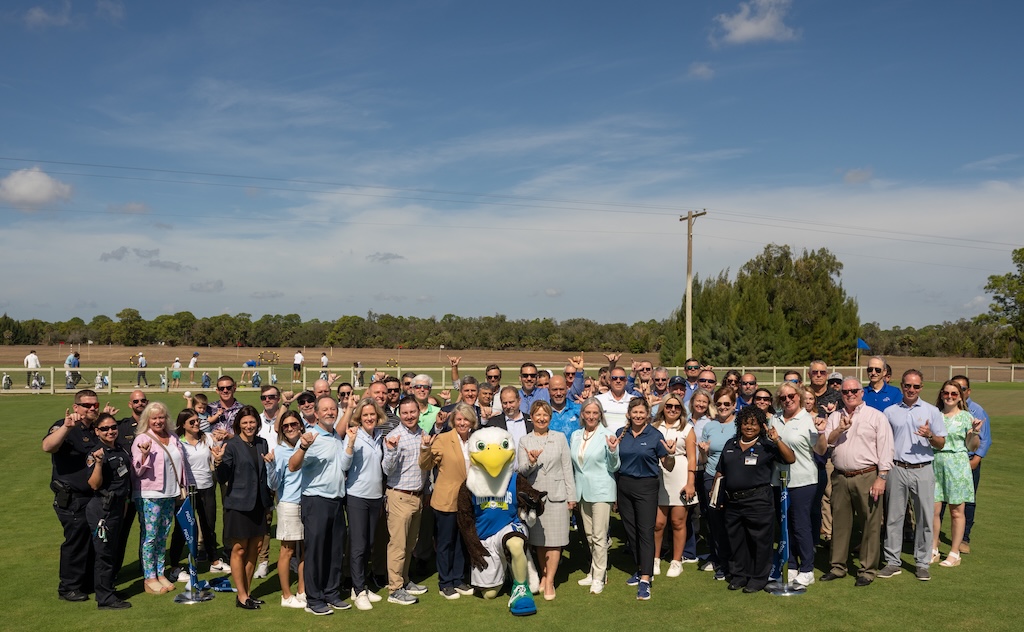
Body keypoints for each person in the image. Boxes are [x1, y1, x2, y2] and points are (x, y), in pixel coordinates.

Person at [716, 405, 796, 593]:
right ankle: (739, 575)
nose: (749, 427)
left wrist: (777, 440)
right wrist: (716, 496)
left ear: (761, 426)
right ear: (739, 424)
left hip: (758, 500)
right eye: (745, 423)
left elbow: (790, 458)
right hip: (732, 501)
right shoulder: (731, 444)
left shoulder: (767, 445)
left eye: (753, 424)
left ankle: (758, 577)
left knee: (760, 540)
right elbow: (721, 471)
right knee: (736, 539)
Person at [822, 378, 892, 586]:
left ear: (862, 393)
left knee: (870, 524)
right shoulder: (835, 416)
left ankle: (867, 569)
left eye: (854, 391)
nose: (850, 394)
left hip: (867, 475)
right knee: (840, 523)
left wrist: (882, 477)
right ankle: (838, 566)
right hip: (841, 476)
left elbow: (886, 448)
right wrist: (840, 429)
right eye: (845, 392)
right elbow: (827, 443)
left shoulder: (876, 417)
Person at [289, 395, 353, 615]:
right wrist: (303, 448)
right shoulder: (310, 437)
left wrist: (350, 409)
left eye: (333, 409)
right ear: (316, 413)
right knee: (316, 553)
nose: (329, 412)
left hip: (336, 501)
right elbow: (292, 465)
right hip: (316, 501)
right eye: (325, 409)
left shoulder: (336, 436)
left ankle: (332, 593)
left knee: (335, 551)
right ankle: (314, 599)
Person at [880, 369, 946, 582]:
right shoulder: (890, 412)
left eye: (916, 386)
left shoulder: (932, 411)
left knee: (925, 517)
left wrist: (930, 436)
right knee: (894, 517)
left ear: (921, 387)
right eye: (907, 385)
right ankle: (892, 561)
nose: (911, 389)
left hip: (923, 469)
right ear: (902, 386)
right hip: (897, 468)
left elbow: (941, 443)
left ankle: (922, 562)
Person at [42, 389, 107, 602]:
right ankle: (68, 587)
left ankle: (87, 583)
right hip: (72, 497)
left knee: (92, 542)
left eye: (95, 405)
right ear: (76, 407)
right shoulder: (65, 426)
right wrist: (66, 428)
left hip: (93, 496)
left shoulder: (95, 428)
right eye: (87, 405)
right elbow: (47, 446)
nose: (92, 409)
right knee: (76, 542)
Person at [616, 398, 675, 600]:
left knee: (645, 532)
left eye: (642, 413)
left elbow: (668, 465)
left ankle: (645, 579)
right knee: (631, 533)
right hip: (624, 486)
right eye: (635, 413)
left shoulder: (655, 435)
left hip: (646, 487)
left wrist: (671, 454)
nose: (638, 416)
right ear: (629, 414)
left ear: (647, 414)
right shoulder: (620, 434)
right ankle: (641, 568)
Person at [769, 382, 827, 587]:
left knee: (800, 524)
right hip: (778, 480)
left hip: (803, 480)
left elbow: (820, 451)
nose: (787, 400)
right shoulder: (774, 418)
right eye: (783, 397)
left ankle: (807, 568)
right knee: (785, 524)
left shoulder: (808, 420)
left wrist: (821, 433)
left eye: (791, 396)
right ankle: (791, 564)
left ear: (799, 396)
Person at [518, 401, 576, 601]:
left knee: (556, 542)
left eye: (545, 415)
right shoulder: (524, 440)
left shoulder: (559, 438)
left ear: (550, 417)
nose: (541, 418)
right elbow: (522, 471)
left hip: (558, 496)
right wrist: (532, 462)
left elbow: (567, 467)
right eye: (537, 415)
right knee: (540, 542)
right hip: (536, 499)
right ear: (531, 417)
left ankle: (550, 580)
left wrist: (571, 496)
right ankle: (543, 575)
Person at [131, 401, 191, 595]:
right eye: (154, 417)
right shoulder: (141, 438)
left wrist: (185, 485)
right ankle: (149, 577)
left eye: (161, 417)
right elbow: (137, 470)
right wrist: (145, 455)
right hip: (150, 494)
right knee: (150, 537)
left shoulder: (173, 437)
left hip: (170, 493)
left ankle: (160, 572)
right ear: (147, 419)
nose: (158, 421)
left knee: (162, 535)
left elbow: (181, 463)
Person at [419, 403, 476, 600]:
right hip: (447, 499)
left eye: (466, 419)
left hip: (469, 501)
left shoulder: (476, 440)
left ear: (472, 422)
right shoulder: (443, 439)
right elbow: (425, 464)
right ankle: (445, 582)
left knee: (462, 541)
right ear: (453, 421)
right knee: (446, 542)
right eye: (459, 419)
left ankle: (458, 579)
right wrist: (425, 447)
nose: (462, 423)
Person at [382, 397, 431, 605]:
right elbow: (387, 469)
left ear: (418, 411)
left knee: (410, 543)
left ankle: (405, 579)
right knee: (398, 545)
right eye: (405, 413)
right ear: (400, 414)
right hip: (399, 496)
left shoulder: (423, 434)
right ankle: (395, 588)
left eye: (413, 412)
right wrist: (392, 450)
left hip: (417, 497)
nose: (409, 416)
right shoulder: (394, 436)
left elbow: (425, 467)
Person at [570, 398, 620, 594]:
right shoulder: (575, 435)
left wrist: (614, 450)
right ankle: (594, 569)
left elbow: (614, 466)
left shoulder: (607, 435)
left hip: (601, 491)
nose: (591, 416)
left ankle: (599, 576)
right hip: (582, 491)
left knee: (599, 536)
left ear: (600, 415)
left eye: (595, 413)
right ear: (582, 414)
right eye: (587, 413)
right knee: (589, 535)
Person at [931, 381, 982, 568]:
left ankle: (954, 552)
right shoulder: (935, 415)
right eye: (946, 393)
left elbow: (972, 446)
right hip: (936, 464)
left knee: (956, 511)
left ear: (960, 396)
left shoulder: (967, 417)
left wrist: (975, 432)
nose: (950, 397)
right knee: (934, 510)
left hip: (957, 465)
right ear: (941, 394)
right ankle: (933, 548)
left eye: (954, 393)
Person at [168, 408, 224, 576]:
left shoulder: (207, 438)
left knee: (208, 524)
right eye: (191, 422)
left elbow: (216, 456)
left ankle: (213, 560)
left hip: (207, 486)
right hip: (187, 489)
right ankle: (175, 565)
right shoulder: (177, 441)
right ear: (183, 424)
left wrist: (218, 456)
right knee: (182, 527)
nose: (196, 424)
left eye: (197, 421)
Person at [85, 412, 133, 609]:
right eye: (105, 428)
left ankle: (109, 588)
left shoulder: (120, 449)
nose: (110, 431)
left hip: (118, 507)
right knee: (104, 553)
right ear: (97, 431)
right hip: (102, 509)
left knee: (113, 551)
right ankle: (104, 598)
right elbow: (94, 484)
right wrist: (97, 463)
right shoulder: (96, 453)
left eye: (113, 427)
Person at [343, 397, 386, 610]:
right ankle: (358, 590)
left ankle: (359, 586)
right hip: (357, 496)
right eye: (365, 415)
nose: (369, 418)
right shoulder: (354, 435)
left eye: (372, 414)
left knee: (368, 543)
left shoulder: (379, 436)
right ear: (359, 417)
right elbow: (344, 464)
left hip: (375, 496)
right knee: (358, 545)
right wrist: (350, 444)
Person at [652, 392, 697, 579]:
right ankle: (654, 558)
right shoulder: (654, 427)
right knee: (658, 523)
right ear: (663, 407)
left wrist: (690, 483)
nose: (672, 410)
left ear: (681, 409)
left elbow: (692, 458)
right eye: (669, 406)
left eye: (677, 407)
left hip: (680, 474)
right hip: (658, 476)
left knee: (678, 521)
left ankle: (677, 560)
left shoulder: (687, 428)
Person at [267, 410, 307, 608]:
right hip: (289, 504)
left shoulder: (306, 444)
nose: (290, 428)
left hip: (308, 502)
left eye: (293, 424)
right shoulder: (280, 451)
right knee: (287, 551)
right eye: (286, 426)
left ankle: (302, 590)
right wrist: (270, 466)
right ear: (281, 429)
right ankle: (286, 595)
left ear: (300, 425)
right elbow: (274, 485)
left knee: (305, 551)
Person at [949, 375, 991, 554]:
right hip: (948, 461)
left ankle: (964, 538)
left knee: (968, 500)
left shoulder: (977, 411)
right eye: (955, 388)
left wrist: (976, 460)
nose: (959, 392)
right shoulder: (945, 409)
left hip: (968, 461)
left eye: (963, 388)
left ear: (968, 391)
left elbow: (985, 439)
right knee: (942, 500)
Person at [698, 386, 737, 580]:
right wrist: (703, 452)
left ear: (734, 405)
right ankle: (718, 559)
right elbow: (704, 460)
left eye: (727, 404)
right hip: (711, 478)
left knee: (732, 521)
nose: (723, 407)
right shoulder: (709, 426)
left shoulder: (740, 424)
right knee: (715, 522)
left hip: (734, 479)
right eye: (719, 404)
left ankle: (732, 561)